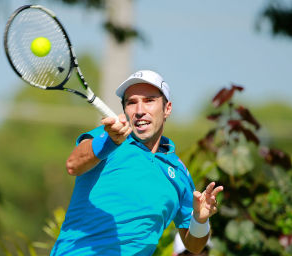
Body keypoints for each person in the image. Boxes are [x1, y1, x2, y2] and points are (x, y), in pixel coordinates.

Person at [50, 70, 223, 256]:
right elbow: (73, 164)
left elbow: (194, 246)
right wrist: (110, 141)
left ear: (167, 108)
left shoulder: (179, 173)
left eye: (149, 100)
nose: (140, 111)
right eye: (131, 102)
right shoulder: (108, 139)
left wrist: (200, 220)